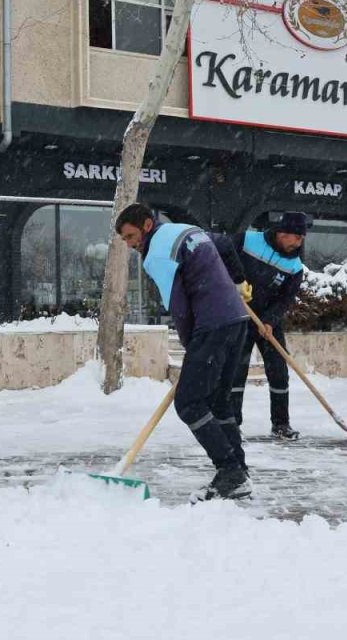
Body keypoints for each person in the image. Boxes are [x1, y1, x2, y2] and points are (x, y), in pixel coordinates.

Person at [114, 203, 252, 501]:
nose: (128, 244)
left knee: (189, 403)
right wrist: (238, 280)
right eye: (124, 239)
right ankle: (238, 471)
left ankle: (230, 471)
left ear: (147, 226)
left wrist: (194, 349)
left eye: (130, 236)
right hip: (238, 320)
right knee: (218, 401)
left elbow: (178, 306)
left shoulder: (156, 254)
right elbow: (227, 245)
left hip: (212, 323)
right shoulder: (188, 230)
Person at [213, 212, 309, 441]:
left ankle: (281, 424)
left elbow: (286, 298)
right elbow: (220, 258)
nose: (298, 244)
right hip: (239, 316)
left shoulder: (295, 267)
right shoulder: (246, 240)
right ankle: (232, 422)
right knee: (236, 371)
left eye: (301, 240)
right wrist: (228, 285)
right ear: (282, 234)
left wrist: (269, 320)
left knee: (279, 372)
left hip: (268, 322)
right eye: (295, 238)